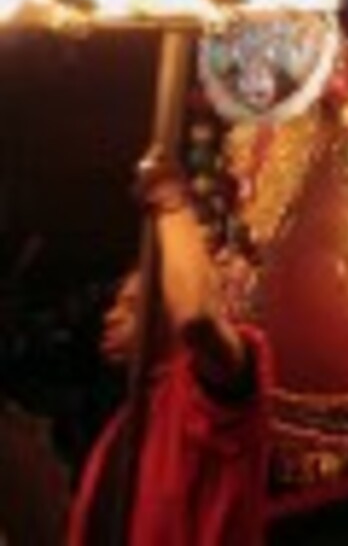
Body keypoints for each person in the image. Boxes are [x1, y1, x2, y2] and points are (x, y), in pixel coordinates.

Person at [68, 152, 272, 546]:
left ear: (168, 314)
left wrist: (172, 203)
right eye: (115, 304)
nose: (110, 317)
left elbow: (196, 316)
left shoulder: (213, 394)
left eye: (131, 305)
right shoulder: (132, 415)